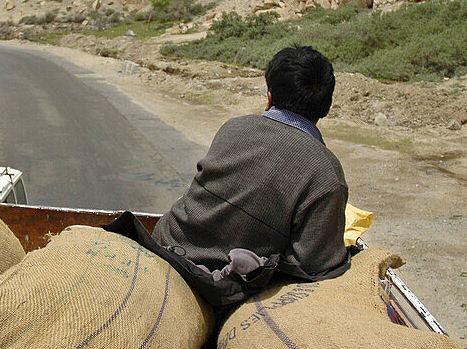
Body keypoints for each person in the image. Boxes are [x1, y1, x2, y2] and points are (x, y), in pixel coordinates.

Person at [146, 45, 351, 306]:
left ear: (269, 97)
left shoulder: (234, 128)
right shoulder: (327, 173)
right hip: (217, 286)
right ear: (326, 107)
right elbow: (314, 265)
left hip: (166, 243)